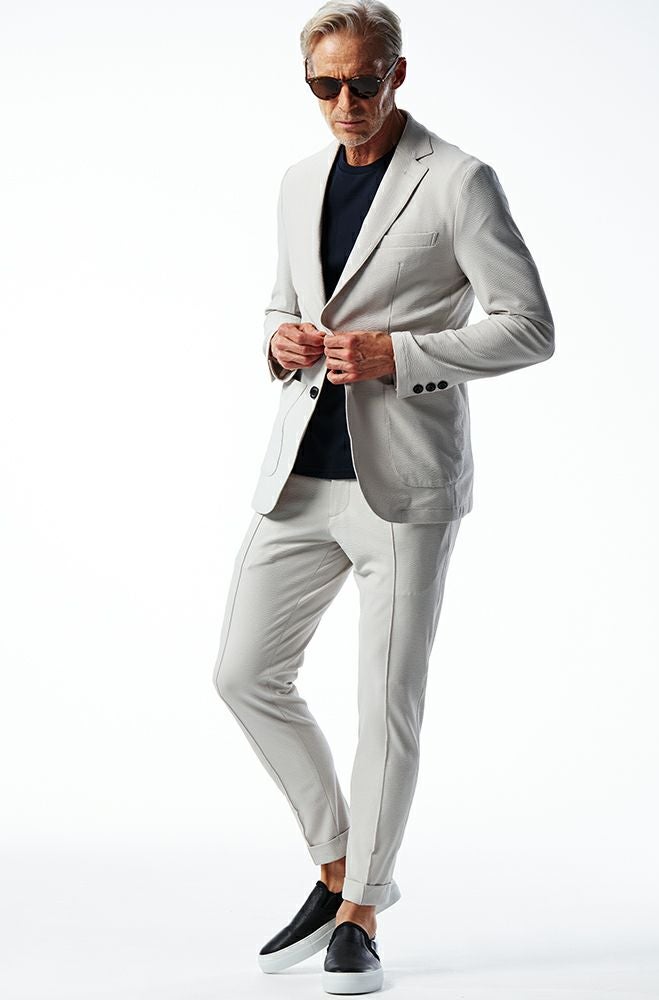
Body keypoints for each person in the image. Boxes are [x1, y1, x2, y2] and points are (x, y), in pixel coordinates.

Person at [212, 0, 555, 993]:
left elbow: (529, 325)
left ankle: (361, 911)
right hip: (300, 475)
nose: (345, 102)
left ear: (397, 74)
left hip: (403, 488)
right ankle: (336, 866)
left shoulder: (457, 181)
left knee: (385, 707)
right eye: (325, 85)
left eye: (363, 82)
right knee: (243, 673)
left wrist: (397, 354)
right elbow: (282, 301)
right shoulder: (296, 181)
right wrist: (277, 337)